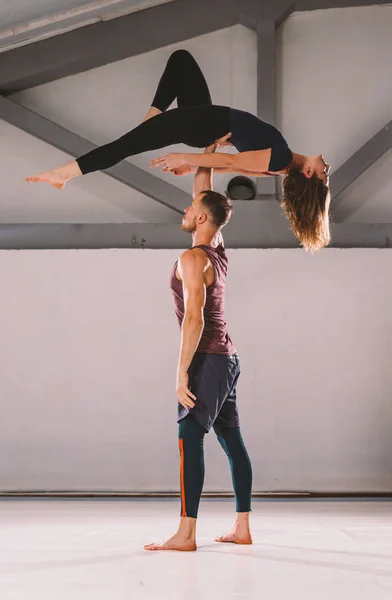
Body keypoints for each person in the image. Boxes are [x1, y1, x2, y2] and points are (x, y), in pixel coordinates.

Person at [25, 49, 331, 251]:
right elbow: (233, 166)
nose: (326, 167)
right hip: (205, 120)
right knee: (181, 61)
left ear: (308, 173)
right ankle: (152, 118)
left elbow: (234, 159)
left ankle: (63, 174)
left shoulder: (283, 157)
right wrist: (194, 166)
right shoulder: (279, 167)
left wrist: (186, 158)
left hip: (200, 125)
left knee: (125, 146)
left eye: (324, 174)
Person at [144, 142, 252, 552]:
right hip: (229, 358)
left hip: (208, 357)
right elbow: (204, 194)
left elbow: (194, 319)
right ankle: (242, 527)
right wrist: (204, 155)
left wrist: (180, 373)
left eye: (190, 210)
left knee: (190, 436)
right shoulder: (217, 248)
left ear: (202, 218)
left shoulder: (193, 257)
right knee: (231, 439)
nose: (185, 211)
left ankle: (186, 534)